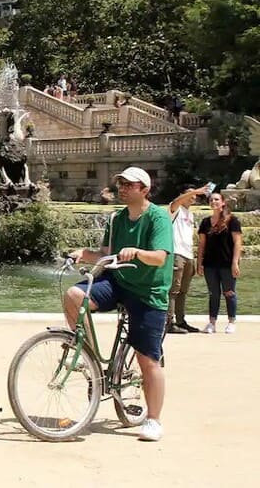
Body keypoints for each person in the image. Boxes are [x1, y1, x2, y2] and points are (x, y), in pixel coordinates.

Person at [65, 166, 172, 442]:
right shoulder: (116, 219)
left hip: (148, 292)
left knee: (147, 360)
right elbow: (105, 254)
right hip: (119, 283)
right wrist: (83, 254)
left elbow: (160, 257)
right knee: (74, 296)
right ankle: (89, 358)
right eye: (120, 183)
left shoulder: (158, 218)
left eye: (128, 184)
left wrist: (137, 252)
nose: (122, 188)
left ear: (144, 190)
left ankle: (153, 419)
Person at [197, 192, 243, 334]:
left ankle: (231, 321)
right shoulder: (205, 222)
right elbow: (202, 245)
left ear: (223, 202)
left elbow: (237, 243)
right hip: (210, 264)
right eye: (211, 200)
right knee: (213, 294)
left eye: (216, 199)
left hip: (227, 263)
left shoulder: (232, 221)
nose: (213, 202)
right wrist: (199, 263)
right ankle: (212, 323)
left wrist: (235, 262)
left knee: (229, 292)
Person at [166, 185, 206, 333]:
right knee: (173, 290)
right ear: (182, 195)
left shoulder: (190, 214)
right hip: (176, 254)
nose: (194, 197)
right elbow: (176, 201)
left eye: (195, 195)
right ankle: (168, 323)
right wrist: (197, 190)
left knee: (183, 291)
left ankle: (181, 321)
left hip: (188, 255)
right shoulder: (174, 208)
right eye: (190, 194)